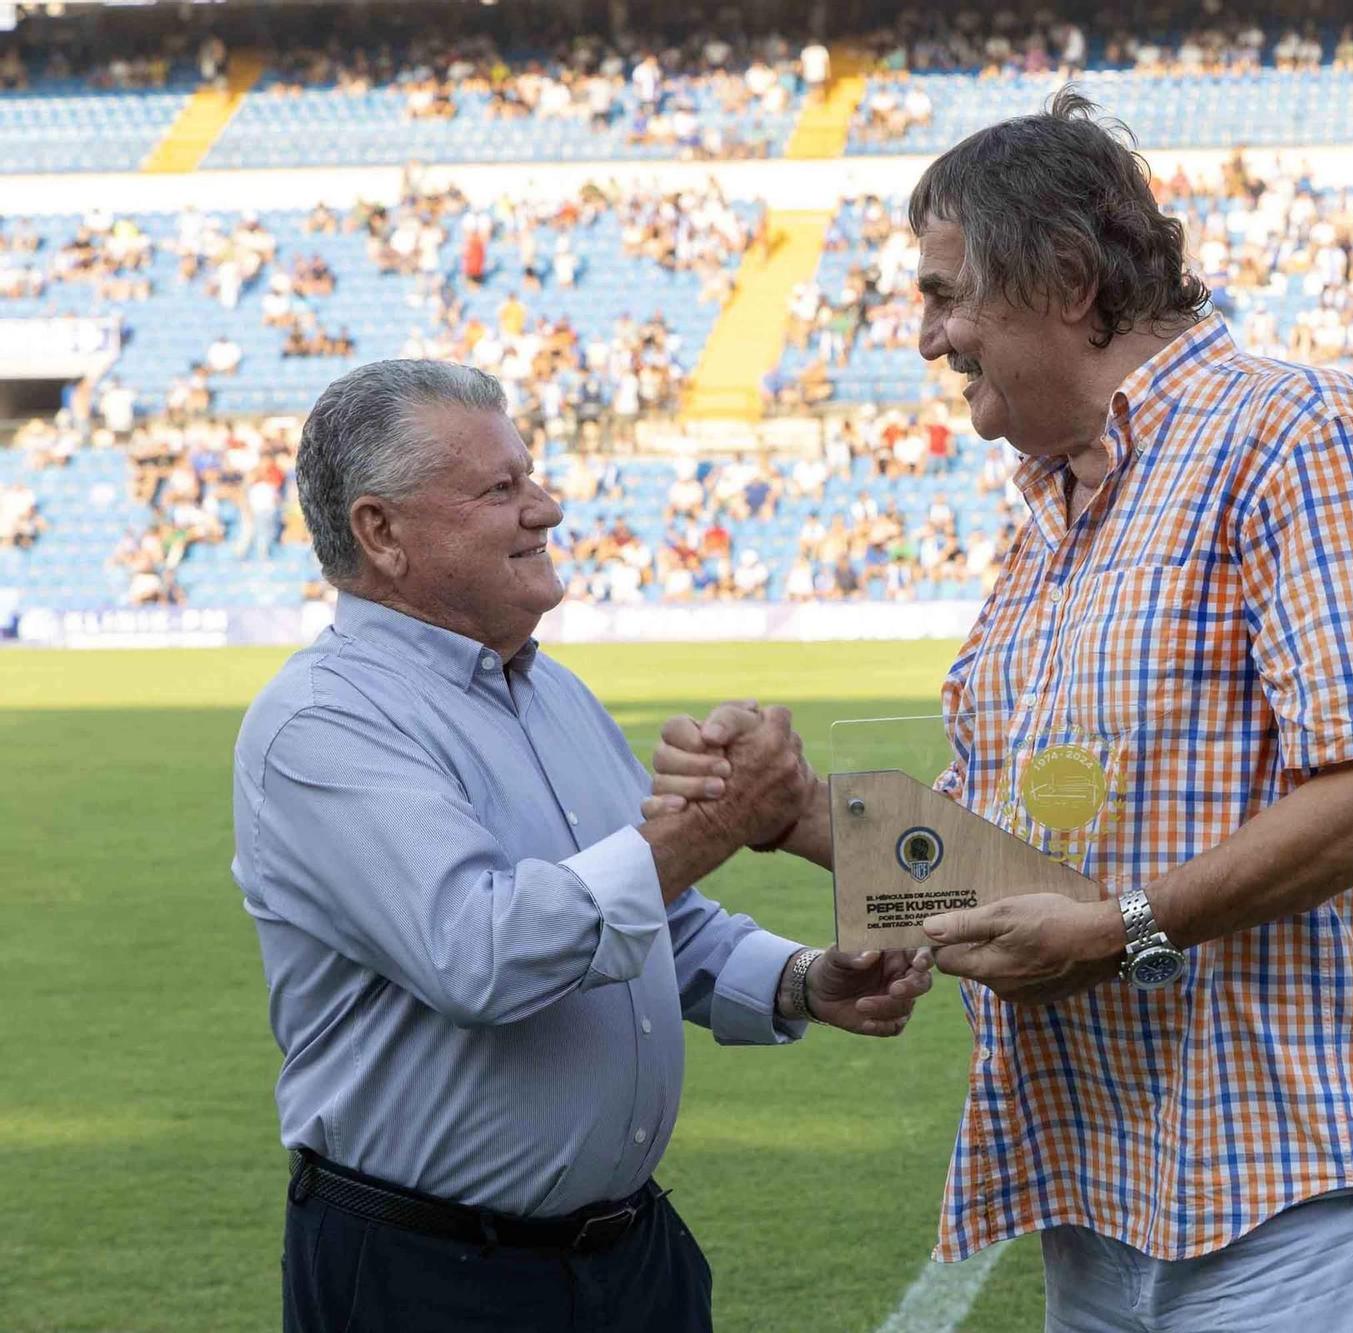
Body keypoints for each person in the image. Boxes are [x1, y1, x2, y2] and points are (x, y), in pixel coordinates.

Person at [654, 93, 1353, 1332]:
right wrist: (785, 813)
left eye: (946, 294)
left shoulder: (1294, 437)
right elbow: (1010, 868)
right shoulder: (1053, 511)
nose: (929, 335)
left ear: (1058, 279)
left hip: (1305, 1184)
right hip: (1107, 1185)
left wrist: (1117, 929)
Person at [231, 360, 932, 1333]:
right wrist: (720, 823)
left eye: (533, 475)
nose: (548, 508)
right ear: (380, 532)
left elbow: (659, 919)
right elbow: (484, 953)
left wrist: (803, 981)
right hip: (434, 1279)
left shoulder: (550, 689)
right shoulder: (322, 723)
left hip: (627, 1262)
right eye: (501, 488)